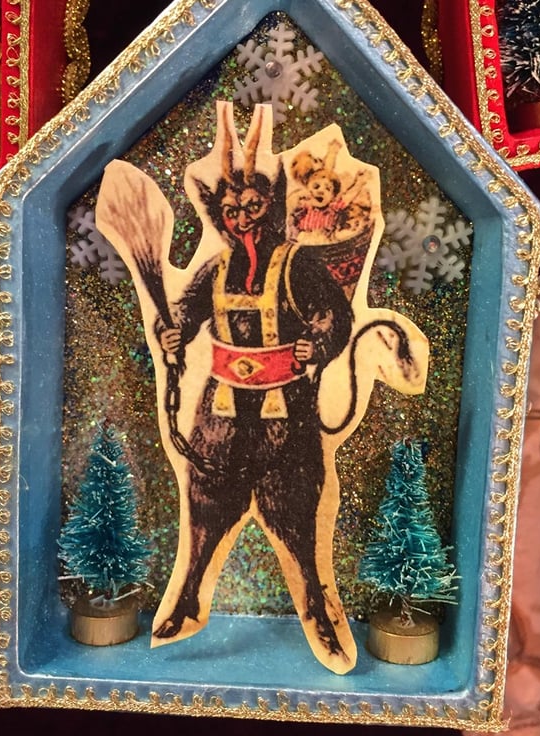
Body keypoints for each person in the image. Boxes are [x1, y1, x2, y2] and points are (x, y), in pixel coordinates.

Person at [150, 104, 358, 672]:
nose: (241, 218)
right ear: (219, 215)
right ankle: (188, 596)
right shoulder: (215, 270)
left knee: (296, 515)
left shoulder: (297, 264)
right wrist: (173, 331)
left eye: (252, 207)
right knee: (204, 508)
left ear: (272, 205)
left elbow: (334, 315)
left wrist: (318, 342)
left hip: (284, 415)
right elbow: (185, 312)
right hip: (220, 415)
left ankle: (316, 606)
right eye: (231, 210)